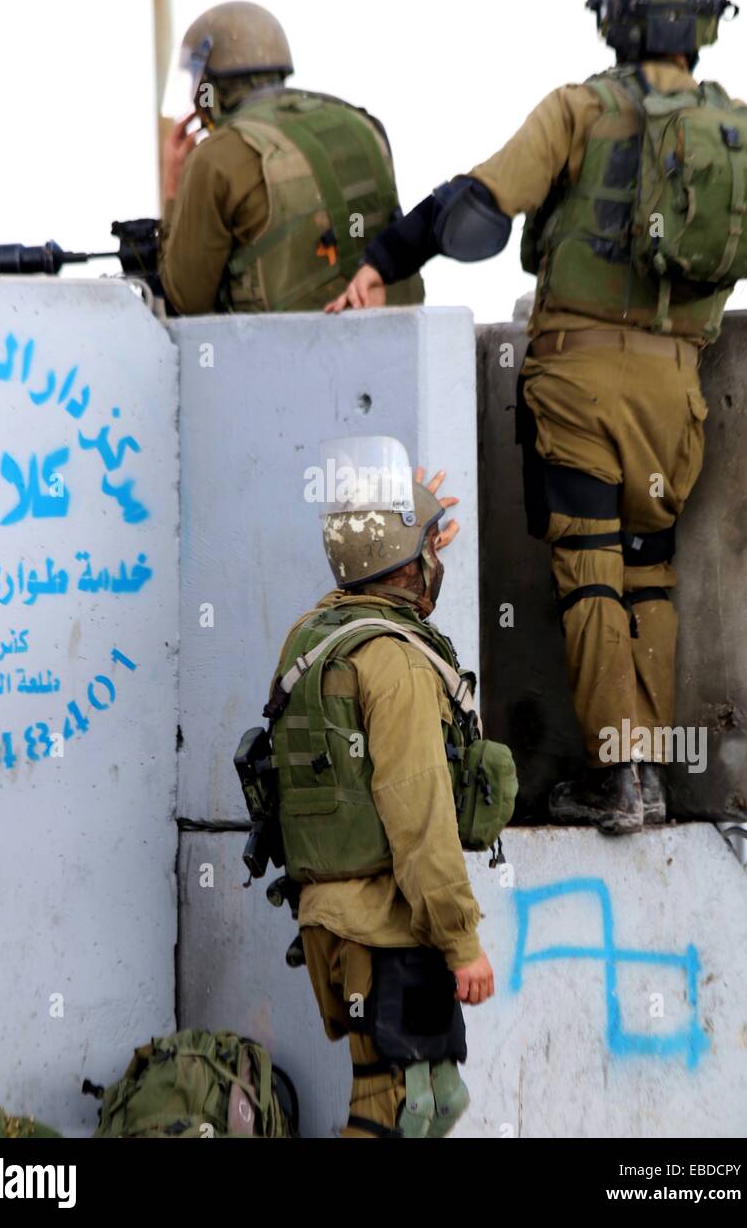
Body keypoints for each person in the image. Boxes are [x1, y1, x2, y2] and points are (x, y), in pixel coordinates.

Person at [327, 0, 747, 835]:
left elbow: (477, 200)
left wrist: (383, 262)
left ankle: (615, 776)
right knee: (651, 570)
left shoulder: (582, 110)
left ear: (613, 25)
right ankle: (651, 774)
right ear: (702, 30)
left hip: (579, 382)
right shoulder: (744, 135)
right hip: (678, 394)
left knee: (591, 572)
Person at [260, 437, 516, 1137]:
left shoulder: (315, 640)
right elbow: (420, 813)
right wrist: (462, 941)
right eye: (427, 549)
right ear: (406, 565)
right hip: (384, 924)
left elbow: (384, 583)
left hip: (339, 919)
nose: (436, 558)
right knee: (393, 1107)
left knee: (432, 1102)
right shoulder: (394, 664)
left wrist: (414, 520)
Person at [158, 1, 424, 315]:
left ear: (210, 83)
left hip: (284, 353)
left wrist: (174, 189)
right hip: (396, 339)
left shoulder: (217, 155)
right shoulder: (360, 125)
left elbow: (186, 300)